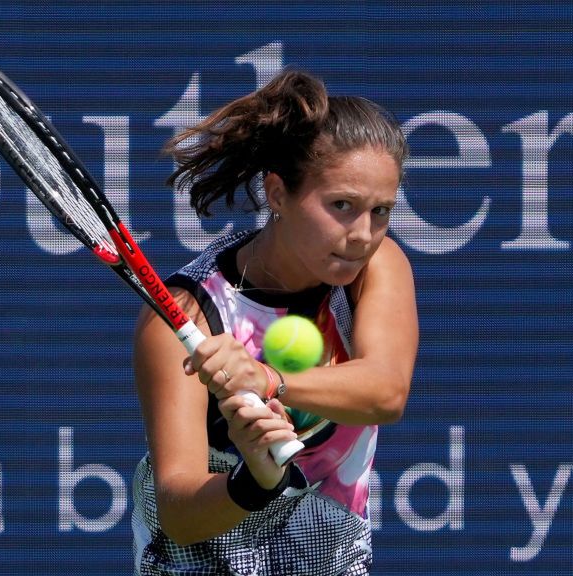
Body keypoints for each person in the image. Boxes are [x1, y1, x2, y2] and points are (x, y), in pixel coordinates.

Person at [131, 69, 418, 576]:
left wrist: (269, 380)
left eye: (381, 211)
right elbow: (177, 513)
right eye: (342, 206)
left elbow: (386, 390)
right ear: (279, 194)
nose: (362, 234)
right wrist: (255, 482)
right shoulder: (187, 316)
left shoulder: (375, 268)